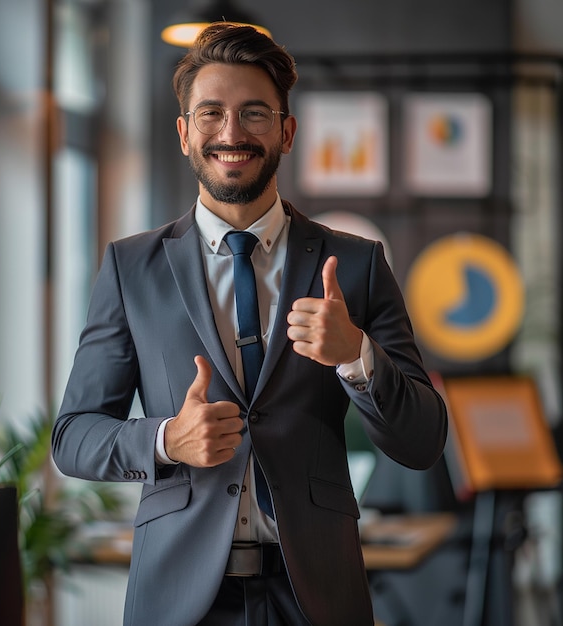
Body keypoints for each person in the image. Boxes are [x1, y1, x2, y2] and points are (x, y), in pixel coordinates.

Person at [52, 22, 447, 626]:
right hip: (179, 598)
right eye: (210, 113)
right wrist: (165, 440)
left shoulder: (359, 264)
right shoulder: (130, 268)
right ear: (184, 134)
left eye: (254, 113)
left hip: (317, 595)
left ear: (287, 132)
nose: (231, 133)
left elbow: (422, 442)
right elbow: (73, 437)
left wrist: (356, 356)